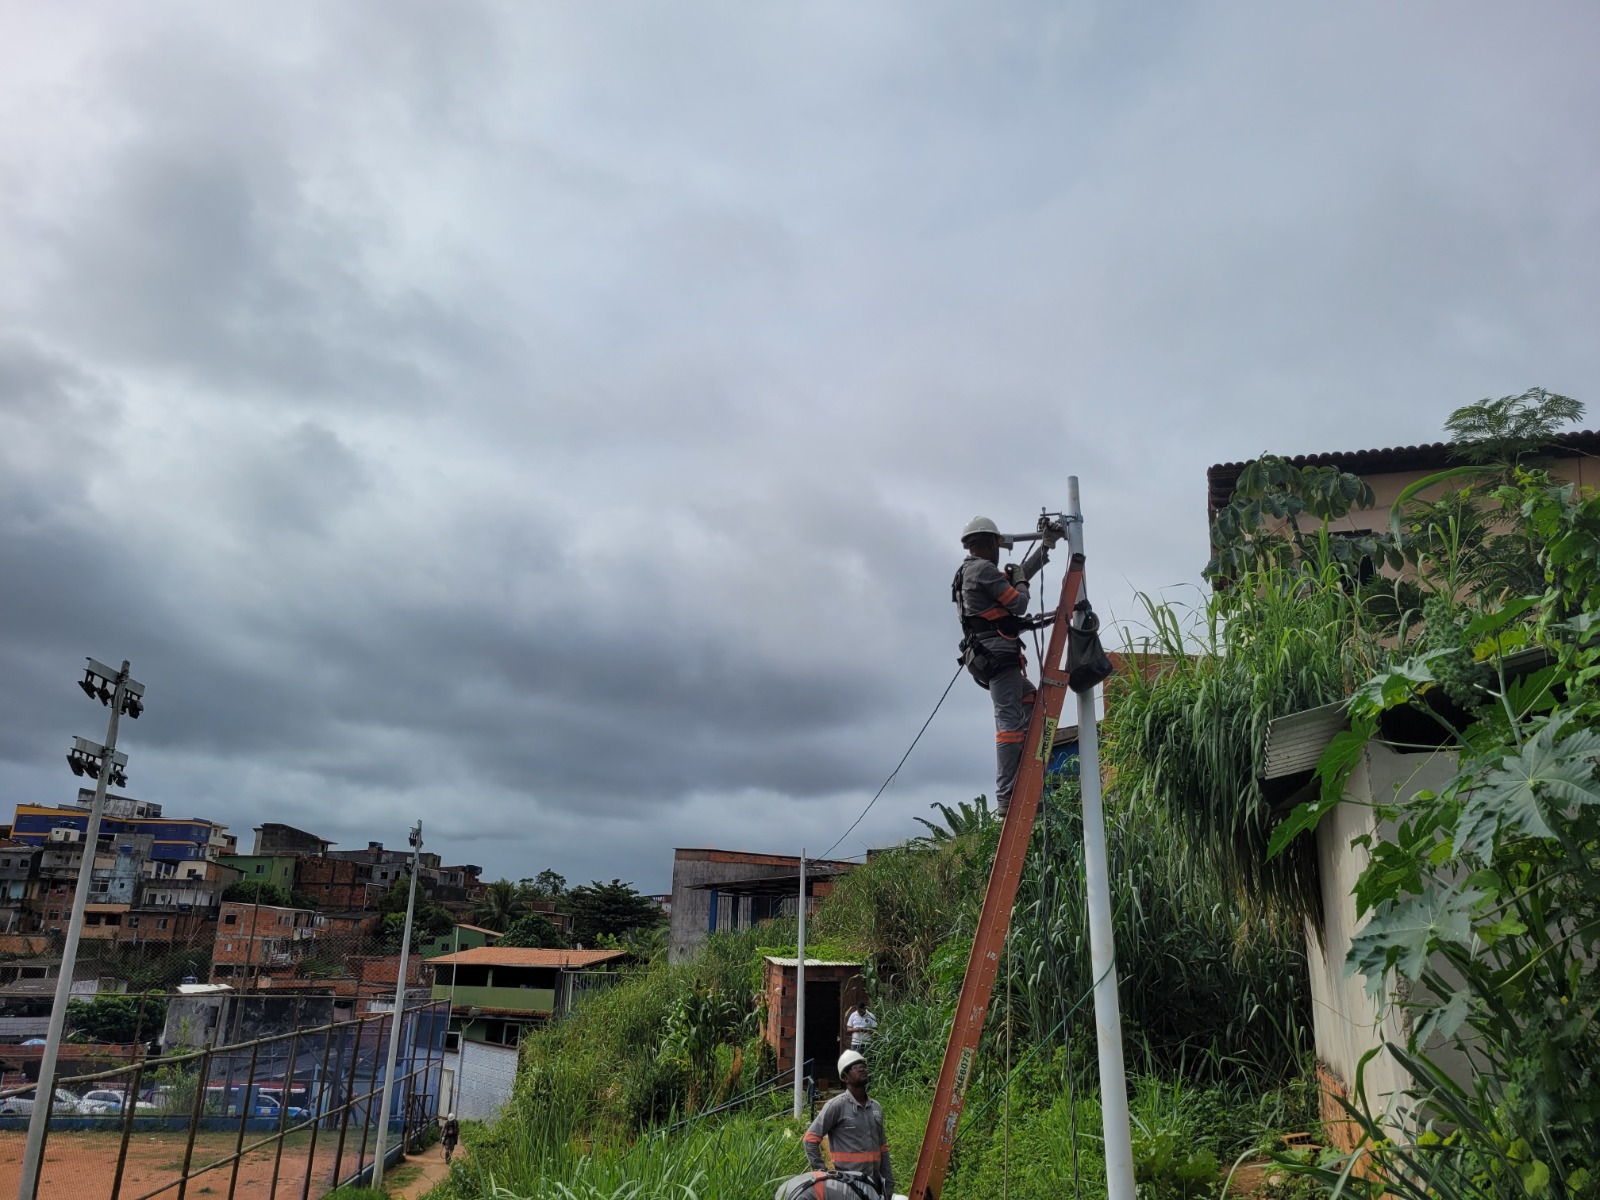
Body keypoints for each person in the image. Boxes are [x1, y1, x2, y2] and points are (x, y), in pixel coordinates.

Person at [953, 516, 1059, 817]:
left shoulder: (968, 571)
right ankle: (1007, 794)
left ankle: (1021, 765)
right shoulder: (983, 569)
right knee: (1009, 724)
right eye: (997, 544)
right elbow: (1019, 602)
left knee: (1030, 698)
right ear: (988, 542)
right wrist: (1022, 581)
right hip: (998, 654)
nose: (1000, 550)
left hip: (985, 655)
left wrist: (1045, 548)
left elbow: (1009, 583)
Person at [785, 1049, 893, 1199]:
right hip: (849, 1187)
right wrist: (822, 1173)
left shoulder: (876, 1107)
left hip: (875, 1186)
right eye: (855, 1067)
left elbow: (883, 1148)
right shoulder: (836, 1106)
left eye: (863, 1065)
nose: (861, 1068)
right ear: (845, 1077)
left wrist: (889, 1182)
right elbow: (810, 1140)